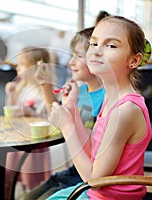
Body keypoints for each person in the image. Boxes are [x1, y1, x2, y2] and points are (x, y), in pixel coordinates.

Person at [47, 16, 152, 199]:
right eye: (94, 44)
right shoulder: (111, 98)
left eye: (110, 46)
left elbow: (94, 180)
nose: (96, 52)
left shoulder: (124, 110)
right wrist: (71, 111)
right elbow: (92, 151)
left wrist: (67, 127)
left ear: (134, 61)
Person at [23, 27, 105, 200]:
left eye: (78, 56)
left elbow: (95, 150)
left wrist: (68, 121)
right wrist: (45, 84)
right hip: (75, 171)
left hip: (89, 176)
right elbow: (57, 115)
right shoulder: (81, 91)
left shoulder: (107, 98)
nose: (70, 62)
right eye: (71, 55)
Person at [4, 47, 52, 199]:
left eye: (22, 65)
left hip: (34, 144)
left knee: (32, 179)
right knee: (10, 175)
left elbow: (47, 117)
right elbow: (11, 112)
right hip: (17, 139)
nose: (17, 68)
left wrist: (29, 112)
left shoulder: (43, 90)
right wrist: (11, 95)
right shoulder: (21, 88)